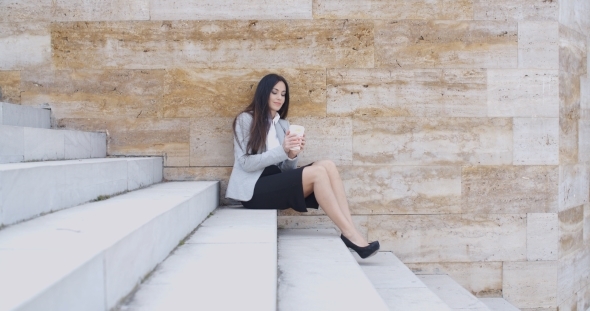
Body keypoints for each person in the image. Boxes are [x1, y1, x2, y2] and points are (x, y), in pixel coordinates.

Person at [225, 73, 379, 259]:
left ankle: (351, 231)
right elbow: (245, 163)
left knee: (327, 165)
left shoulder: (282, 125)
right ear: (264, 93)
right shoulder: (246, 120)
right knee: (317, 173)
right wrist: (282, 149)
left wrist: (292, 154)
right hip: (254, 189)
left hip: (273, 183)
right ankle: (350, 235)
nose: (279, 98)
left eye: (283, 94)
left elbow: (286, 172)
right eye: (274, 92)